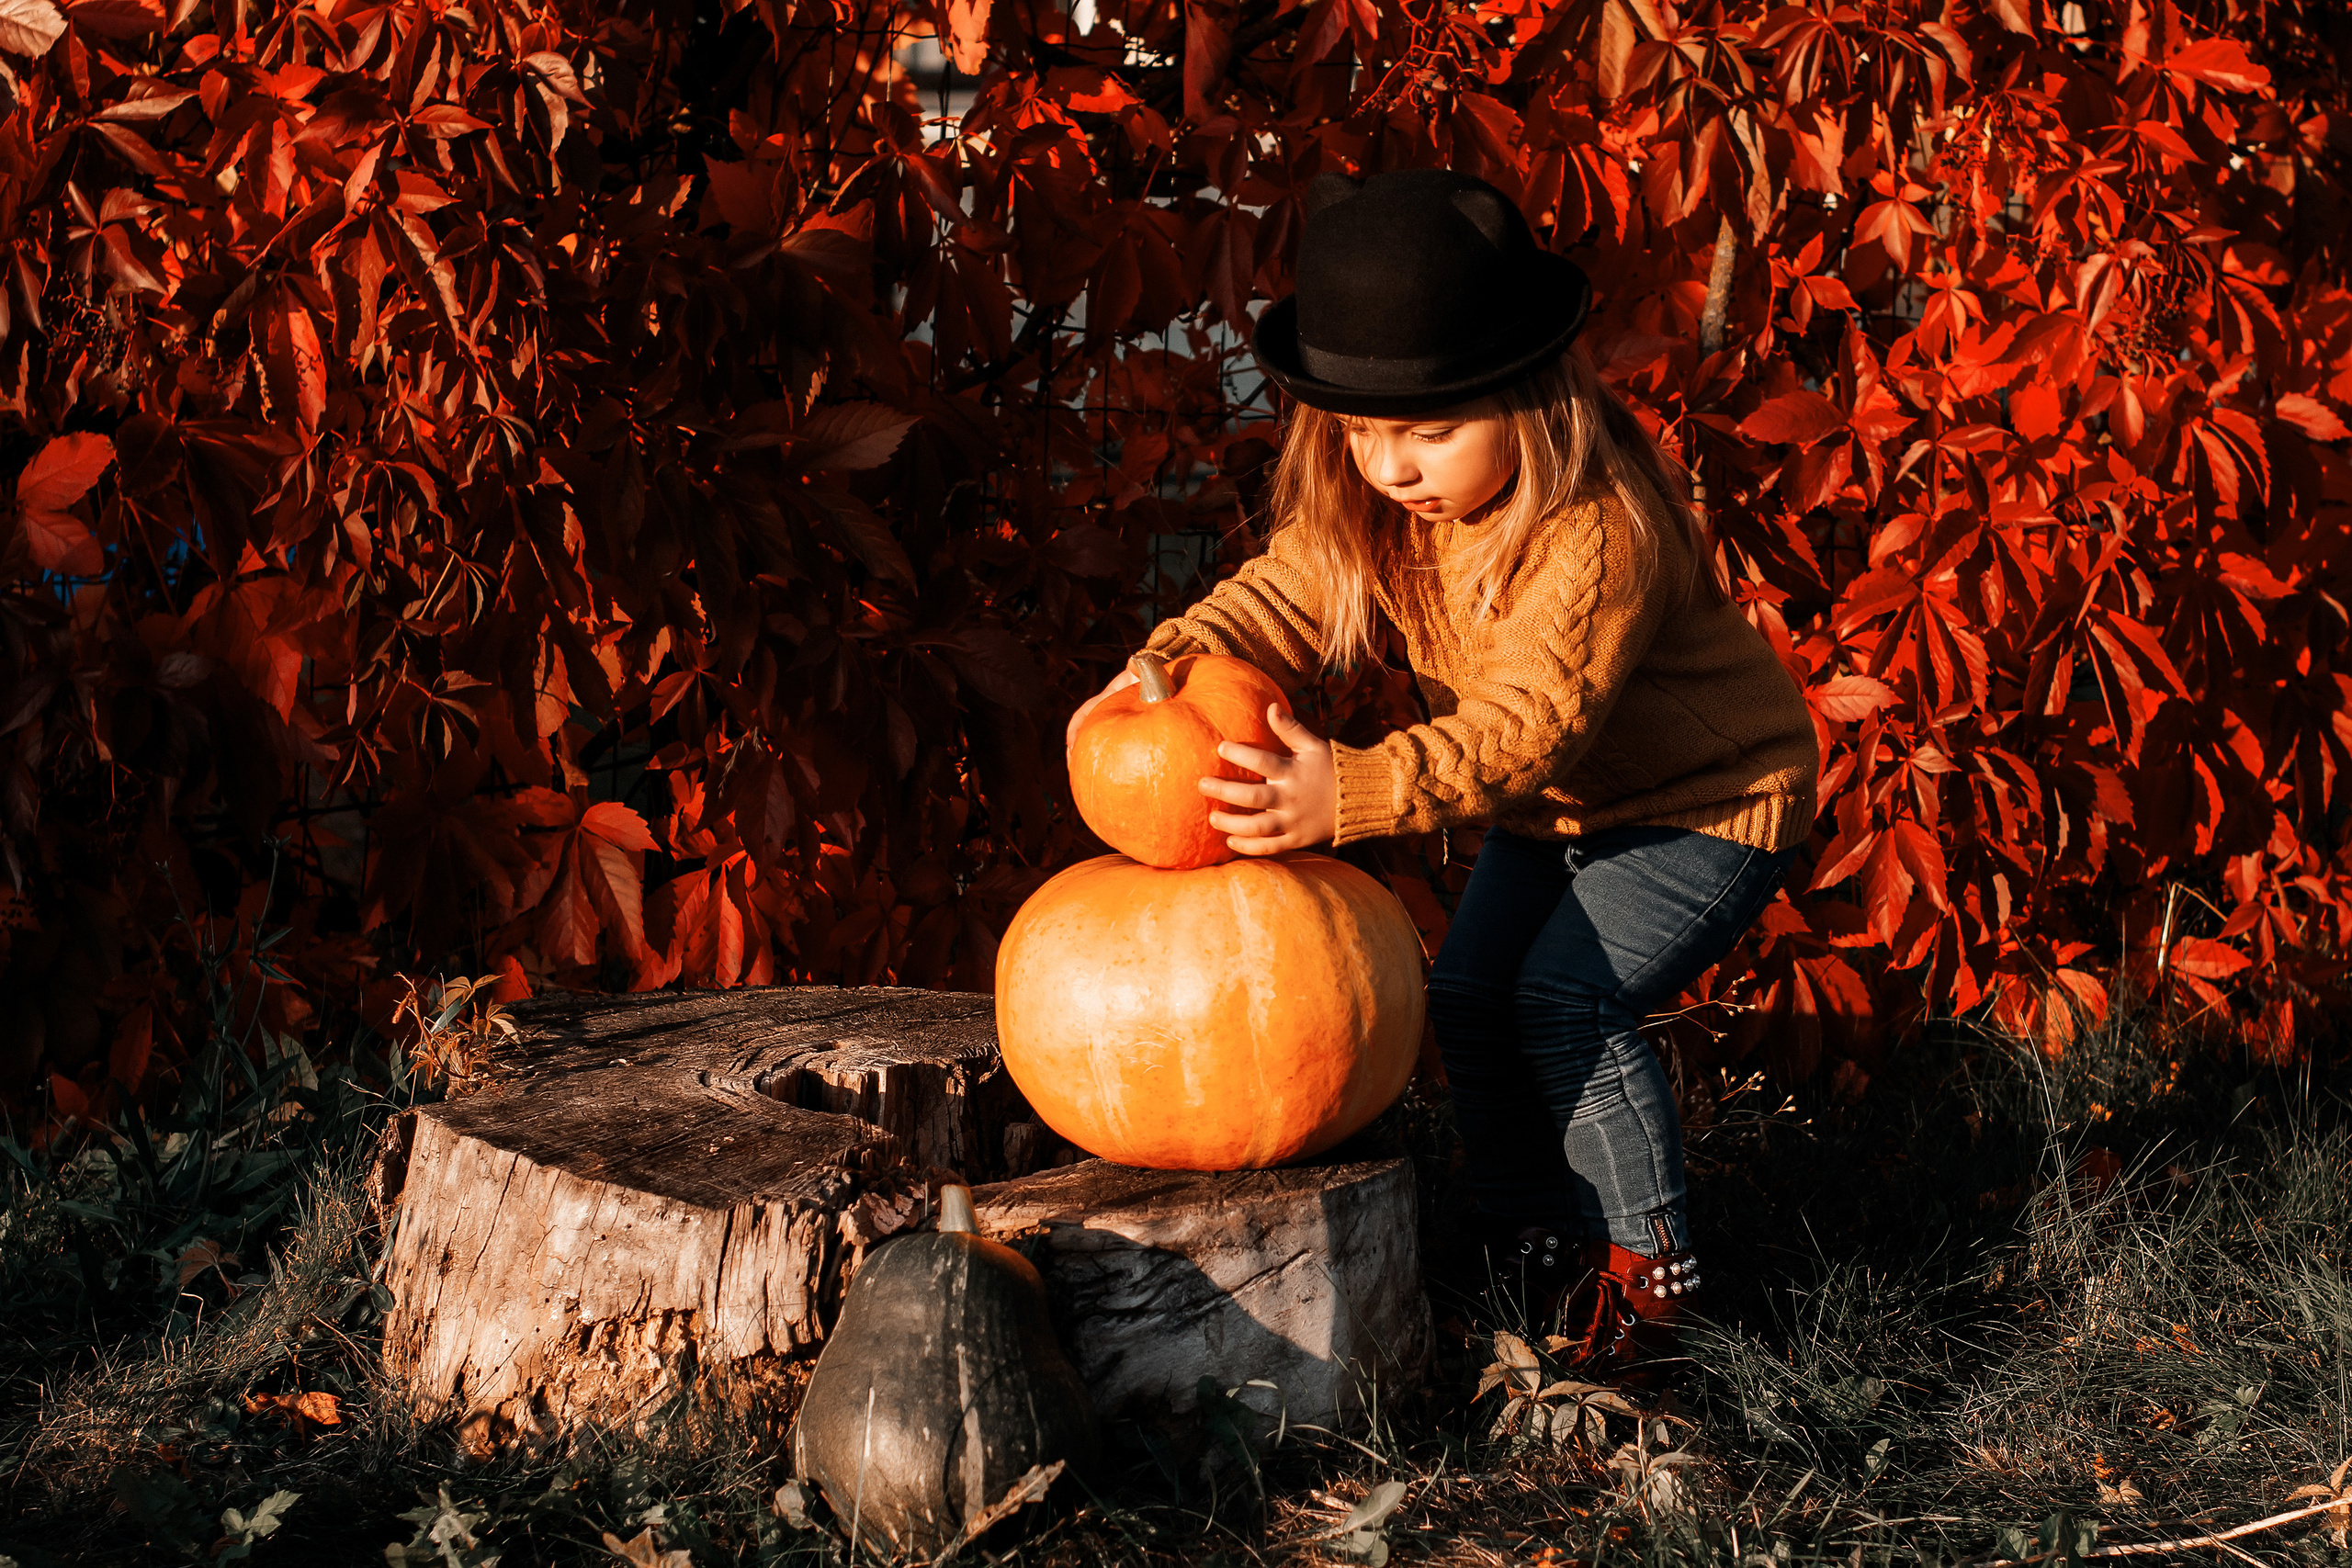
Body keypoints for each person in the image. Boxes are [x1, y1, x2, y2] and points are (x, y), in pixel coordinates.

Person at [1065, 169, 1818, 1380]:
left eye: (1430, 431)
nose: (1396, 466)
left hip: (1706, 804)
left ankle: (1654, 1281)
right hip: (1553, 813)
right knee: (1466, 994)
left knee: (1566, 1000)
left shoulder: (1595, 528)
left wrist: (1346, 794)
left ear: (1532, 400)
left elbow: (1529, 728)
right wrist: (1159, 668)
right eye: (1366, 433)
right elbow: (1274, 602)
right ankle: (1527, 1231)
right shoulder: (1377, 513)